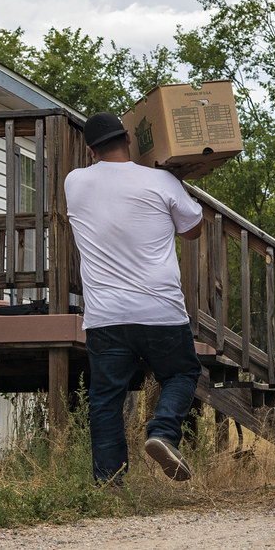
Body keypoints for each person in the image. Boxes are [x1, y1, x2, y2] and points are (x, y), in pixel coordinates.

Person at [64, 111, 203, 484]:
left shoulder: (74, 183)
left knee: (106, 398)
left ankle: (110, 483)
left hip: (105, 315)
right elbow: (193, 231)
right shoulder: (162, 180)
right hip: (160, 308)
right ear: (128, 137)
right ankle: (163, 433)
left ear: (90, 150)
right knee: (182, 372)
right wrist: (178, 181)